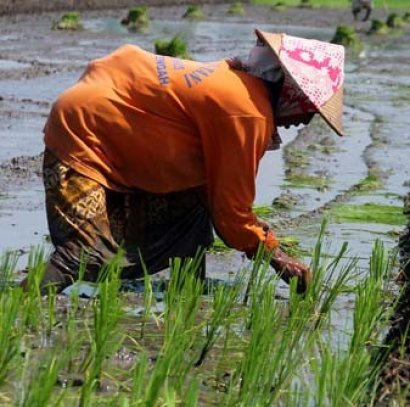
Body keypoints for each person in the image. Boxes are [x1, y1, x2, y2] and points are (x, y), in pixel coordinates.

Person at [36, 29, 345, 293]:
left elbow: (216, 197)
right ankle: (18, 306)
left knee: (195, 212)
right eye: (309, 108)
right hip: (84, 132)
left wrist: (262, 239)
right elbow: (232, 214)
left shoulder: (236, 82)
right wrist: (275, 257)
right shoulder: (248, 111)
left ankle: (187, 293)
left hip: (106, 119)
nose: (305, 119)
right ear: (289, 88)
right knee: (86, 253)